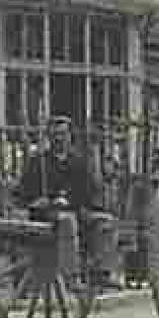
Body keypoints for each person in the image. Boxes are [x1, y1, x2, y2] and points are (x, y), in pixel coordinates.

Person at [16, 116, 118, 289]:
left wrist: (72, 200)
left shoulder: (78, 162)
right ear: (49, 137)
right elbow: (23, 192)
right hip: (48, 215)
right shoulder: (38, 162)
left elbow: (90, 190)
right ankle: (72, 276)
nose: (59, 138)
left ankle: (102, 271)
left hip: (76, 209)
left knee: (106, 221)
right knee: (67, 221)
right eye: (55, 134)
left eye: (63, 134)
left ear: (70, 136)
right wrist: (37, 201)